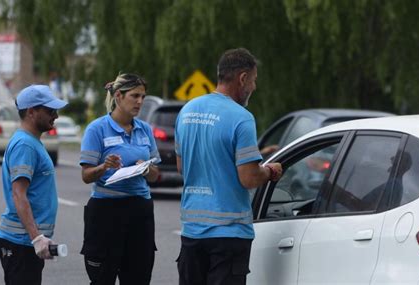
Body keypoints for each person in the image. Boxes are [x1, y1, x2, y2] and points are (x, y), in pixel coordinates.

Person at [175, 47, 283, 285]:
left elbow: (182, 167)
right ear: (242, 78)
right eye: (253, 81)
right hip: (229, 234)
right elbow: (249, 178)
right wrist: (270, 171)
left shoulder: (187, 111)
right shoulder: (241, 117)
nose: (253, 87)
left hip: (192, 231)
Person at [79, 73, 161, 285]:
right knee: (102, 278)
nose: (140, 102)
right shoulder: (96, 129)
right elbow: (86, 176)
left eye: (143, 96)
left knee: (138, 278)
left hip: (140, 211)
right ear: (118, 96)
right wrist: (104, 166)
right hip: (106, 211)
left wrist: (145, 170)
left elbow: (155, 175)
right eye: (135, 96)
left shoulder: (145, 130)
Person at [0, 84, 68, 285]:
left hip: (25, 241)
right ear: (31, 112)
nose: (56, 115)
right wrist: (36, 238)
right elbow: (19, 194)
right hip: (20, 242)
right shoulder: (25, 145)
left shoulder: (31, 141)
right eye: (50, 110)